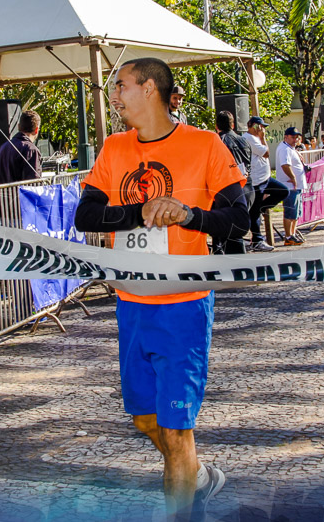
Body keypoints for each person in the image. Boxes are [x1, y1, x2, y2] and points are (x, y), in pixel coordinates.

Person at [73, 58, 247, 519]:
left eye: (123, 86)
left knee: (175, 431)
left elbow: (238, 220)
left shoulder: (205, 144)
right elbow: (85, 216)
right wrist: (144, 210)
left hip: (183, 306)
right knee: (145, 420)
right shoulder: (114, 148)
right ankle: (201, 476)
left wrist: (188, 215)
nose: (115, 96)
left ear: (149, 88)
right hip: (131, 305)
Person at [242, 116, 288, 252]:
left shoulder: (255, 138)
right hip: (257, 180)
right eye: (260, 126)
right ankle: (257, 239)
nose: (262, 130)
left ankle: (260, 209)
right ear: (253, 126)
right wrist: (263, 138)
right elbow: (266, 153)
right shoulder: (249, 138)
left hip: (265, 178)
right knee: (254, 213)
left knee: (283, 191)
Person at [215, 110, 253, 254]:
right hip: (248, 189)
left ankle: (231, 263)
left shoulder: (218, 141)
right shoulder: (244, 140)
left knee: (228, 232)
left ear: (216, 125)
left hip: (229, 190)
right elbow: (248, 164)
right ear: (233, 124)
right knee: (236, 229)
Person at [276, 127, 306, 245]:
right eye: (293, 137)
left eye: (297, 137)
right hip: (289, 185)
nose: (295, 140)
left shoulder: (290, 148)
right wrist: (293, 177)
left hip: (296, 186)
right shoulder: (284, 149)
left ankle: (292, 234)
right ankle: (288, 236)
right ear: (286, 137)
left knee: (296, 213)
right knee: (290, 211)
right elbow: (285, 165)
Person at [0, 110, 42, 184]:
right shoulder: (31, 150)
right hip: (20, 195)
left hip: (3, 195)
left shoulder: (3, 147)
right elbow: (34, 183)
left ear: (18, 126)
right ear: (36, 129)